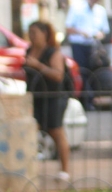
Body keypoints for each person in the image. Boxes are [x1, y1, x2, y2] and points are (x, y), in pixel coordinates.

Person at [24, 21, 71, 182]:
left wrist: (37, 65)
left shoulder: (53, 53)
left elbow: (58, 75)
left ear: (45, 34)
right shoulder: (29, 50)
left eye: (35, 32)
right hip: (35, 97)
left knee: (56, 131)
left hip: (53, 97)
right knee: (30, 131)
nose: (32, 36)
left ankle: (65, 170)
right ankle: (27, 168)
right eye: (30, 32)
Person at [64, 0, 108, 111]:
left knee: (93, 73)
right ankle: (85, 101)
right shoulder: (77, 7)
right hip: (79, 45)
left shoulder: (100, 10)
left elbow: (104, 30)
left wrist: (99, 35)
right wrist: (81, 32)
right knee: (82, 72)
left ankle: (92, 100)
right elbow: (69, 28)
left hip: (93, 46)